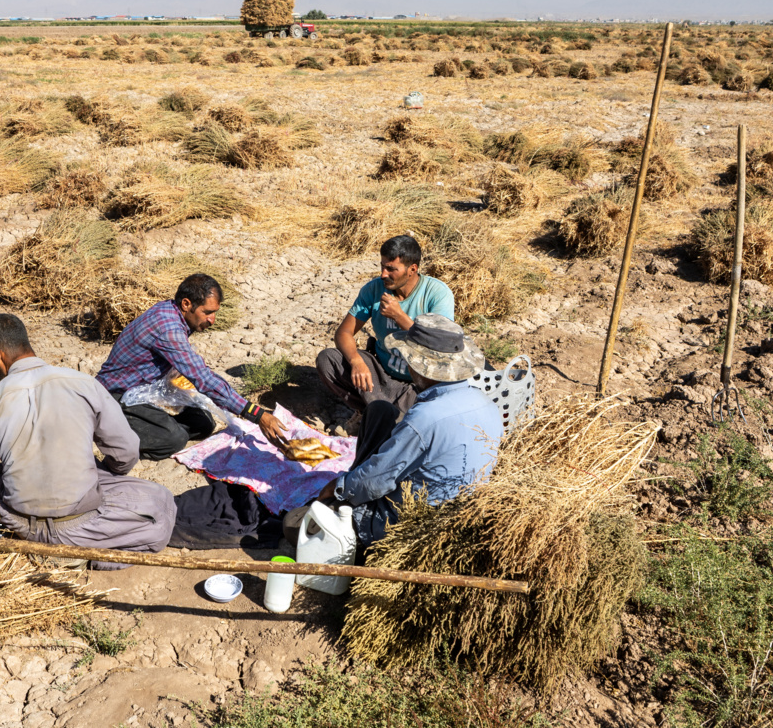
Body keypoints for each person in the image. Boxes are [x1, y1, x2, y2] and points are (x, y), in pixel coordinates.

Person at [0, 313, 174, 569]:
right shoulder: (83, 384)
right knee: (160, 503)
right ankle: (84, 556)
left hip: (19, 524)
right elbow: (126, 451)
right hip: (78, 526)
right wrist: (111, 473)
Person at [305, 314, 501, 551]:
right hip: (460, 514)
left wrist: (338, 487)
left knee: (296, 524)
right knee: (379, 410)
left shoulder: (426, 418)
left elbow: (376, 482)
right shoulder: (486, 403)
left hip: (407, 525)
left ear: (420, 365)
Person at [98, 273, 289, 460]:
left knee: (203, 422)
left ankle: (152, 425)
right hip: (116, 396)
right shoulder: (168, 327)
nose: (212, 320)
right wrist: (256, 414)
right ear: (186, 304)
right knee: (174, 439)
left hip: (143, 388)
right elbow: (202, 378)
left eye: (215, 313)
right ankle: (113, 435)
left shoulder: (171, 312)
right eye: (207, 312)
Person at [316, 234, 456, 419]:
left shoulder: (437, 293)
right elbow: (344, 332)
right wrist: (356, 361)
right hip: (382, 375)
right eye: (382, 266)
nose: (383, 274)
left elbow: (438, 344)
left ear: (412, 269)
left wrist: (399, 316)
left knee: (432, 406)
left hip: (420, 383)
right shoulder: (374, 289)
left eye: (391, 269)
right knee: (328, 360)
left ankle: (385, 414)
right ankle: (369, 413)